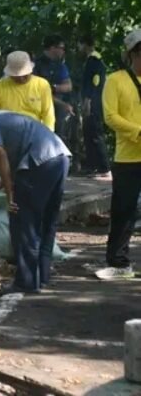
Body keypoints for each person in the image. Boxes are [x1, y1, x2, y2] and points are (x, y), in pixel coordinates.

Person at [0, 109, 70, 293]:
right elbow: (11, 163)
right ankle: (42, 276)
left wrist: (10, 192)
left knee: (22, 219)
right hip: (60, 156)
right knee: (47, 220)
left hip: (39, 160)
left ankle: (26, 281)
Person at [95, 28, 141, 280]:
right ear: (132, 54)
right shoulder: (116, 80)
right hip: (128, 157)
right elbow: (110, 116)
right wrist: (138, 132)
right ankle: (119, 263)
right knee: (124, 211)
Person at [0, 51, 55, 130]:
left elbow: (48, 115)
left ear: (31, 70)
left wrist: (48, 133)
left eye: (25, 75)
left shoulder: (42, 85)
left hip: (34, 130)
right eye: (16, 76)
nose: (21, 79)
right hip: (6, 129)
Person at [78, 35, 110, 177]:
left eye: (80, 44)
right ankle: (93, 167)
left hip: (93, 102)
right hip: (93, 100)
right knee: (89, 133)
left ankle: (104, 167)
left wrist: (88, 101)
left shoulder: (94, 60)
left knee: (95, 133)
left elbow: (94, 82)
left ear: (85, 44)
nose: (79, 48)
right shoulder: (93, 59)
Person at [34, 35, 75, 139]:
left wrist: (54, 88)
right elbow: (37, 92)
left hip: (59, 108)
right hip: (41, 107)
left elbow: (69, 86)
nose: (63, 51)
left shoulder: (60, 65)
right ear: (52, 48)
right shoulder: (36, 65)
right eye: (61, 48)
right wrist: (62, 103)